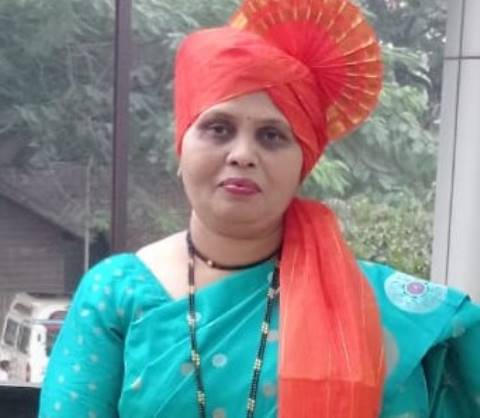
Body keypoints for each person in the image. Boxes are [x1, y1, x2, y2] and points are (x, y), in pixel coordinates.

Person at [39, 0, 480, 417]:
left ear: (302, 163)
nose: (242, 154)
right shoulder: (116, 293)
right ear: (181, 146)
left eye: (272, 136)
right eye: (218, 128)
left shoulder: (370, 307)